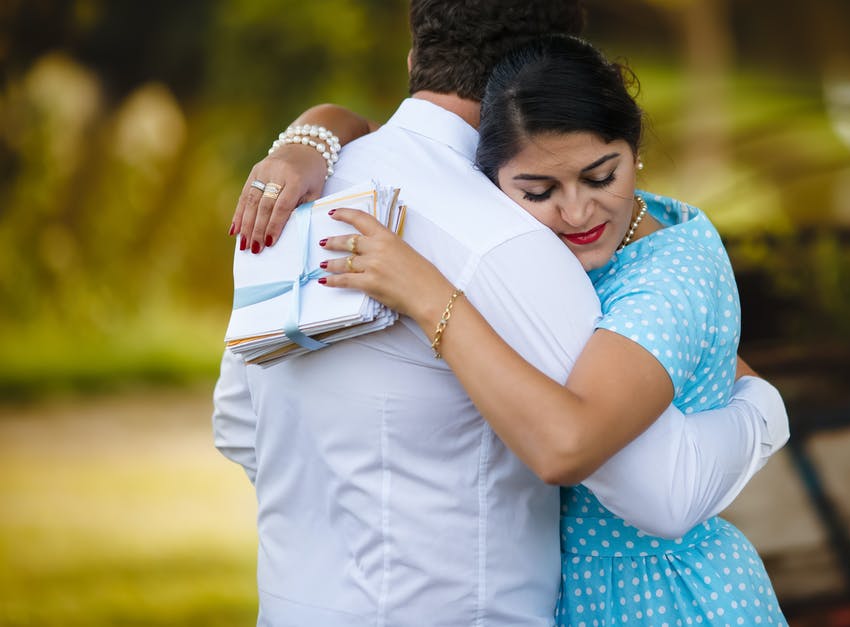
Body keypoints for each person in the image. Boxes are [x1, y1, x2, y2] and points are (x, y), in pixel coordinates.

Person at [213, 2, 789, 626]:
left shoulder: (285, 200)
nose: (573, 210)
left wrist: (317, 130)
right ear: (544, 74)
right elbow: (662, 487)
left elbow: (239, 425)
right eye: (544, 191)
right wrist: (763, 410)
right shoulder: (510, 240)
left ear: (416, 57)